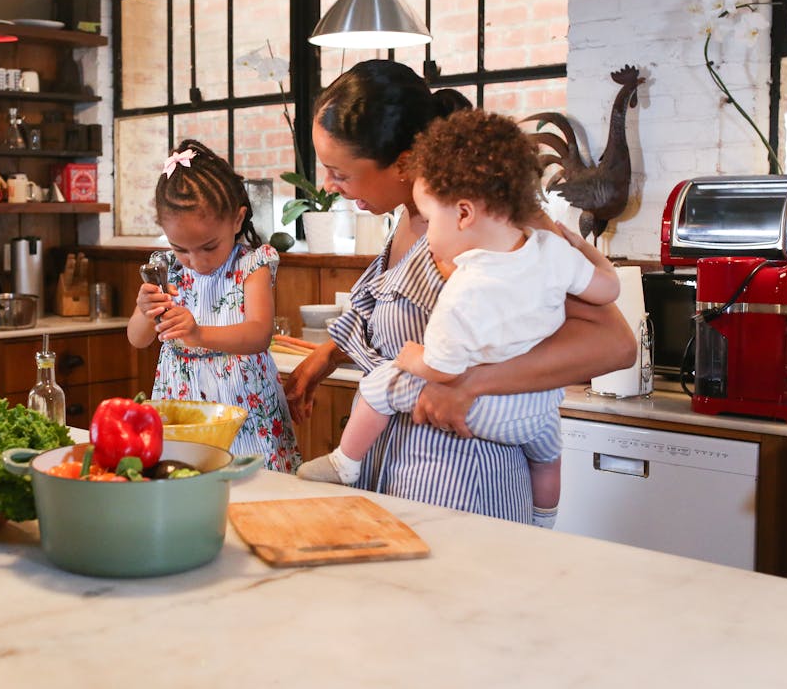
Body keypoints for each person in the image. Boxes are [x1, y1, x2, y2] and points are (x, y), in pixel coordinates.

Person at [285, 60, 636, 522]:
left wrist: (471, 384)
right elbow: (398, 306)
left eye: (340, 173)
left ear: (405, 162)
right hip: (395, 474)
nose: (328, 186)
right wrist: (329, 353)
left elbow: (614, 344)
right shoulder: (412, 219)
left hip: (466, 482)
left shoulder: (500, 222)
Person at [127, 138, 301, 472]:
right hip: (184, 405)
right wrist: (143, 309)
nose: (196, 261)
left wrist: (198, 332)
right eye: (181, 248)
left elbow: (258, 334)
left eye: (208, 247)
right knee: (186, 479)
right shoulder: (166, 270)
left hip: (244, 406)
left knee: (256, 487)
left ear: (237, 221)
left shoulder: (252, 266)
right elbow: (138, 339)